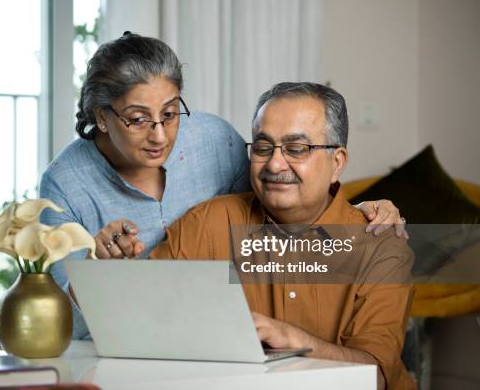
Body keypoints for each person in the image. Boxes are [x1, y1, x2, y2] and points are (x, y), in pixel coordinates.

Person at [40, 33, 408, 340]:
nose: (159, 135)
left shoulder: (215, 140)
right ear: (102, 117)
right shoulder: (65, 184)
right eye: (138, 119)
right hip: (138, 340)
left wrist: (349, 213)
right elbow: (66, 321)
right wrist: (97, 273)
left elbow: (278, 198)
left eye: (169, 114)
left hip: (225, 339)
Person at [150, 82, 415, 390]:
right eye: (263, 148)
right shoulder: (209, 222)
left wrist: (296, 342)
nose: (274, 164)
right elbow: (146, 314)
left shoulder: (381, 244)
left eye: (296, 149)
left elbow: (376, 377)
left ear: (337, 163)